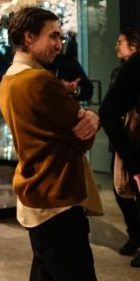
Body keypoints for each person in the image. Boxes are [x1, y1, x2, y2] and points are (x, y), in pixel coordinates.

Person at [0, 7, 102, 281]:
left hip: (37, 196)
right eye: (53, 36)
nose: (59, 44)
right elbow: (84, 137)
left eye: (61, 37)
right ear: (29, 37)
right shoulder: (39, 80)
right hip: (58, 197)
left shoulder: (8, 79)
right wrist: (92, 117)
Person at [99, 29, 140, 266]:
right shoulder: (128, 69)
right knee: (121, 189)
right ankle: (135, 235)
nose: (116, 46)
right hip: (129, 141)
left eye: (120, 42)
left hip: (128, 143)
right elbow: (109, 111)